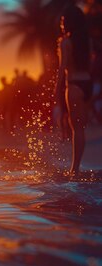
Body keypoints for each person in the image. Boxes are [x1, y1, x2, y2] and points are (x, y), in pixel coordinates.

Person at [56, 4, 92, 176]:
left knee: (76, 129)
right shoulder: (87, 41)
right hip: (87, 85)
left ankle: (74, 170)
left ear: (69, 22)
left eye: (63, 20)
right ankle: (75, 168)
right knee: (80, 128)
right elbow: (90, 65)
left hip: (74, 85)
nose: (61, 23)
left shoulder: (66, 42)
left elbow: (62, 68)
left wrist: (56, 89)